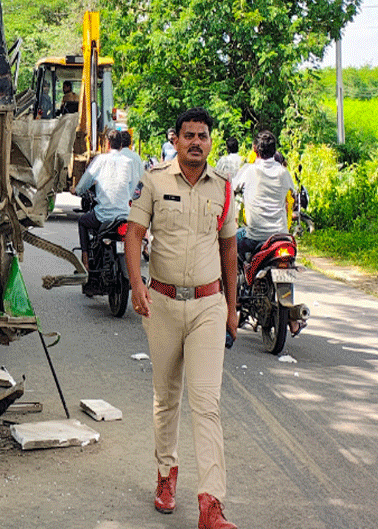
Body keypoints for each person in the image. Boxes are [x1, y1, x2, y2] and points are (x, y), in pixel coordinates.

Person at [125, 108, 238, 529]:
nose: (195, 142)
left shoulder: (224, 190)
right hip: (163, 304)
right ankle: (166, 475)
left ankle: (211, 504)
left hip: (209, 305)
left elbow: (229, 249)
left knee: (206, 404)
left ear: (210, 141)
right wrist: (137, 284)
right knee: (166, 397)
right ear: (176, 140)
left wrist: (232, 306)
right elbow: (134, 234)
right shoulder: (154, 181)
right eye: (188, 135)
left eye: (202, 136)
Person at [232, 130, 301, 335]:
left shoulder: (248, 170)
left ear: (255, 150)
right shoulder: (283, 172)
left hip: (254, 235)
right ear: (275, 150)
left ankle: (234, 301)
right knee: (288, 267)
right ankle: (292, 319)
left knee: (229, 246)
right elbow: (294, 195)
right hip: (281, 236)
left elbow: (232, 189)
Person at [73, 129, 138, 296]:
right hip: (125, 215)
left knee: (82, 222)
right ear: (122, 145)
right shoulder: (129, 162)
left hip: (103, 215)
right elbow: (133, 188)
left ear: (107, 144)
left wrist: (77, 190)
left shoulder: (100, 160)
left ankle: (85, 260)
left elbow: (84, 183)